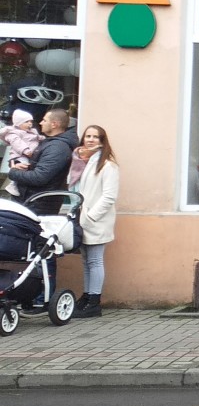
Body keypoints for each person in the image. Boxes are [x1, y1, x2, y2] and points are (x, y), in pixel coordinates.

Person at [9, 108, 79, 316]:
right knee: (35, 251)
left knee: (43, 251)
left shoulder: (57, 147)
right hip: (36, 203)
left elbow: (42, 177)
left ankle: (42, 299)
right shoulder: (50, 144)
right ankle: (31, 297)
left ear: (55, 124)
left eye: (45, 120)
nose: (40, 122)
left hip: (42, 206)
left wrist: (14, 172)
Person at [69, 125, 119, 318]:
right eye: (87, 136)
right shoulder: (82, 162)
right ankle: (87, 295)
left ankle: (94, 301)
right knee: (86, 261)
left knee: (95, 260)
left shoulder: (108, 165)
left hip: (95, 220)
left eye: (95, 137)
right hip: (81, 218)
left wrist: (91, 216)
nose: (90, 140)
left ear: (102, 141)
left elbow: (108, 197)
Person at [1, 109, 44, 197]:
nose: (30, 124)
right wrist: (26, 151)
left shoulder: (32, 131)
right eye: (26, 122)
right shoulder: (13, 133)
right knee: (22, 167)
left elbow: (36, 138)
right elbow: (18, 144)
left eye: (31, 121)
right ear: (18, 123)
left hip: (32, 154)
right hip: (20, 155)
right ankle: (13, 184)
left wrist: (43, 138)